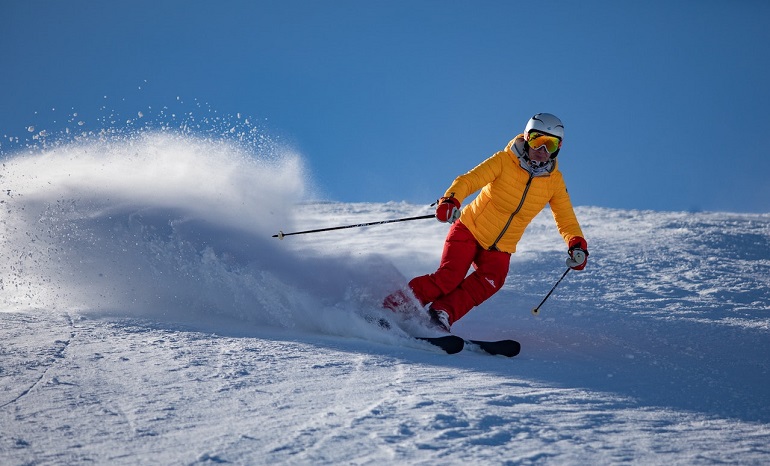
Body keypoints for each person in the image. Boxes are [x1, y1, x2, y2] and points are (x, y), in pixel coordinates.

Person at [383, 113, 588, 331]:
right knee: (449, 277)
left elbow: (565, 216)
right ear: (527, 138)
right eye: (538, 140)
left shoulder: (554, 182)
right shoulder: (504, 161)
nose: (543, 150)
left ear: (559, 147)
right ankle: (394, 307)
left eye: (551, 144)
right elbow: (469, 180)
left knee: (492, 280)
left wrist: (576, 244)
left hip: (501, 247)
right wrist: (451, 200)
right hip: (470, 229)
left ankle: (441, 313)